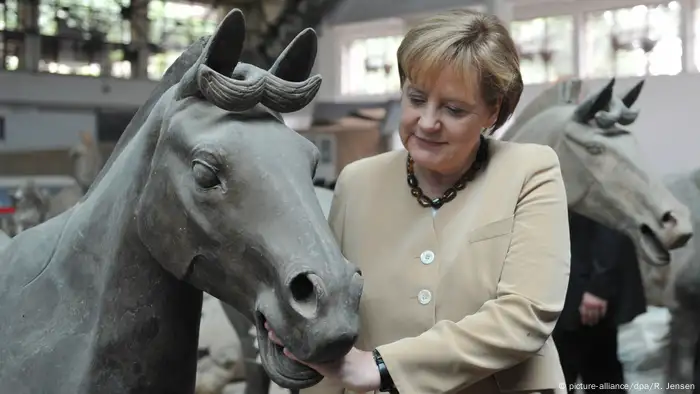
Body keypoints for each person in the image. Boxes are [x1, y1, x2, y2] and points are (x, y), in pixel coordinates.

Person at [267, 8, 570, 394]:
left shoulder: (530, 171)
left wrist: (381, 366)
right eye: (416, 99)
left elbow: (526, 314)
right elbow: (332, 315)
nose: (427, 122)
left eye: (454, 109)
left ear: (493, 112)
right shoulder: (357, 182)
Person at [553, 212, 647, 394]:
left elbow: (609, 222)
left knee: (597, 373)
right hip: (569, 283)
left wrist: (599, 287)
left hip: (585, 286)